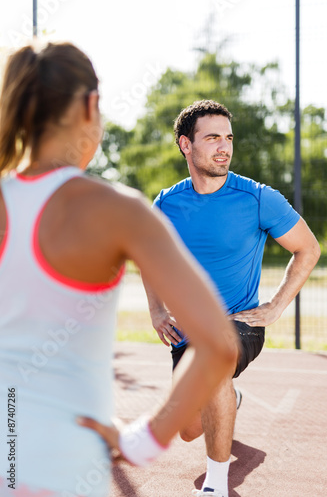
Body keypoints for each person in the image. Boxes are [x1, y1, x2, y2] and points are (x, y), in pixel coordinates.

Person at [0, 46, 240, 497]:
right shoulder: (118, 209)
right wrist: (142, 439)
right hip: (64, 471)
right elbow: (217, 344)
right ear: (90, 105)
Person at [143, 100, 321, 497]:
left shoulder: (258, 198)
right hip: (188, 331)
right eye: (212, 138)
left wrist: (275, 306)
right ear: (186, 145)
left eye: (228, 138)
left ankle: (215, 486)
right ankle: (230, 399)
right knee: (189, 430)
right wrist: (156, 309)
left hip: (239, 325)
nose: (224, 146)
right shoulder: (167, 204)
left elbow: (308, 249)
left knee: (215, 361)